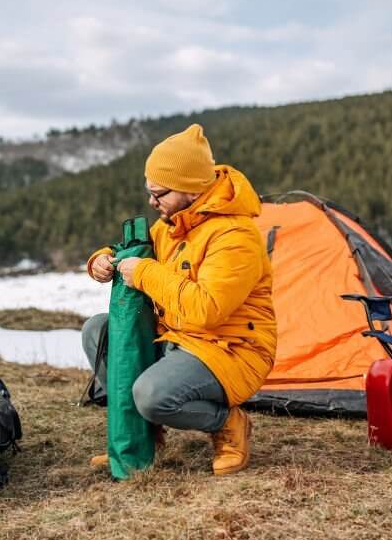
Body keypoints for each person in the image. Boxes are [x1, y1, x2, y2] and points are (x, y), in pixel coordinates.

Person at [83, 124, 276, 476]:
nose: (151, 202)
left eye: (159, 193)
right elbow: (140, 251)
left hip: (228, 349)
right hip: (175, 339)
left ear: (191, 188)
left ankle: (226, 423)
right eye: (150, 192)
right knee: (97, 332)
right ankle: (142, 437)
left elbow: (206, 309)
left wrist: (143, 272)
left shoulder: (235, 236)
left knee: (151, 395)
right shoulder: (174, 220)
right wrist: (103, 258)